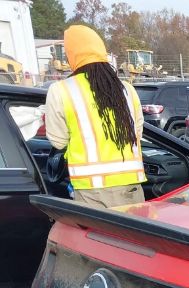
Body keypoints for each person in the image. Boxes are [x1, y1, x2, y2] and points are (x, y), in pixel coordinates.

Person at [45, 25, 145, 210]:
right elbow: (137, 132)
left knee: (98, 239)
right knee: (131, 238)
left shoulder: (61, 90)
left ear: (71, 55)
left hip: (91, 191)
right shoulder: (127, 90)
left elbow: (58, 141)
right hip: (131, 188)